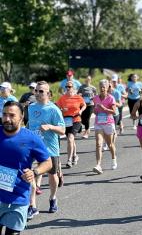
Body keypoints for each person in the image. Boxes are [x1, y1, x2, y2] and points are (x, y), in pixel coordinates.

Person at [0, 101, 52, 234]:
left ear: (21, 117)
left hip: (18, 198)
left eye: (12, 115)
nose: (7, 119)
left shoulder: (31, 138)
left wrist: (35, 172)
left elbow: (48, 162)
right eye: (4, 114)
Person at [27, 81, 65, 218]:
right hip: (32, 147)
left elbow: (62, 130)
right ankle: (32, 206)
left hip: (50, 148)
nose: (37, 93)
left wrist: (50, 127)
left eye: (41, 91)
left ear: (48, 93)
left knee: (52, 176)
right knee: (31, 174)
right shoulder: (30, 107)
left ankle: (53, 197)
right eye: (36, 91)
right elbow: (28, 124)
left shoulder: (54, 109)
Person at [56, 81, 86, 168]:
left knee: (70, 138)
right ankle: (74, 155)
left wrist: (80, 111)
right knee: (71, 139)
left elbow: (84, 105)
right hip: (66, 121)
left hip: (76, 119)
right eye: (67, 87)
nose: (68, 88)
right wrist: (62, 111)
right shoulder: (62, 98)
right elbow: (57, 108)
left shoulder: (78, 97)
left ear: (73, 87)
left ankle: (69, 160)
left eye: (69, 86)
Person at [93, 79, 117, 174]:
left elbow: (114, 112)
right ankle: (98, 165)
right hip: (99, 123)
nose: (102, 88)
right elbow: (95, 111)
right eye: (101, 87)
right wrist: (95, 110)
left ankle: (114, 158)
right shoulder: (95, 98)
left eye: (104, 87)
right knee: (99, 144)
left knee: (110, 144)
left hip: (108, 123)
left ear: (107, 88)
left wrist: (104, 108)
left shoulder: (111, 98)